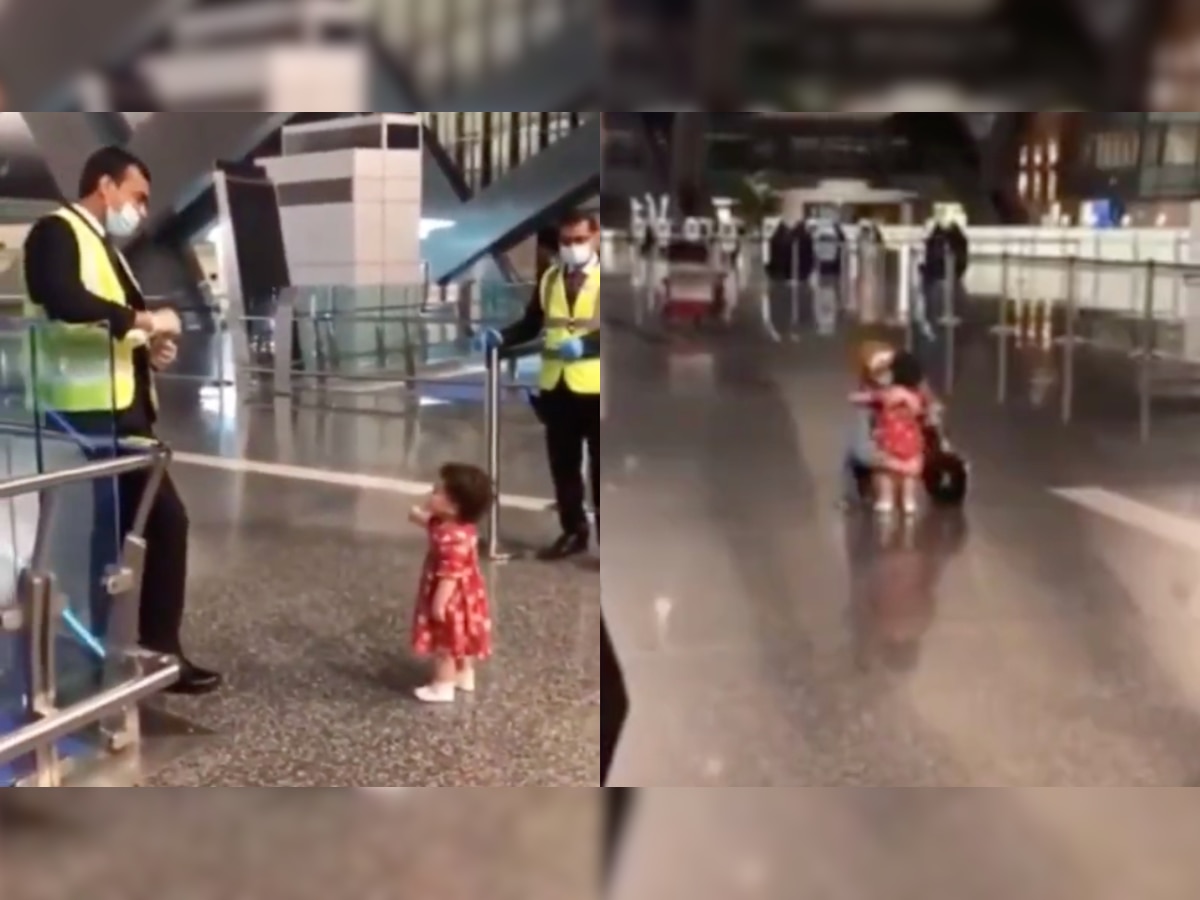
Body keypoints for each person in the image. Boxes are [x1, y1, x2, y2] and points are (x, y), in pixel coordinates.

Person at [22, 145, 221, 694]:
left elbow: (109, 326)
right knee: (157, 523)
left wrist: (147, 347)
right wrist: (143, 317)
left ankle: (127, 653)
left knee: (125, 531)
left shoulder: (108, 248)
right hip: (84, 417)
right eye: (136, 195)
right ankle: (143, 654)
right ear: (105, 185)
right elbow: (64, 300)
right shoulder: (56, 232)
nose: (140, 208)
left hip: (119, 414)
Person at [476, 211, 601, 561]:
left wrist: (587, 346)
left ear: (596, 238)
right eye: (566, 241)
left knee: (604, 469)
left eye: (579, 239)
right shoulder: (549, 279)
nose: (572, 247)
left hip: (599, 386)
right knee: (563, 463)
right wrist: (502, 335)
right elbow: (532, 324)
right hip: (556, 385)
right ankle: (573, 530)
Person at [408, 463, 494, 703]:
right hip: (468, 597)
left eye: (437, 492)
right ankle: (465, 674)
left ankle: (442, 685)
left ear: (453, 506)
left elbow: (450, 575)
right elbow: (431, 524)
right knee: (462, 638)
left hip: (451, 598)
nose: (431, 493)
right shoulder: (459, 528)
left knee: (444, 643)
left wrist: (438, 603)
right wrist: (417, 515)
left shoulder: (451, 538)